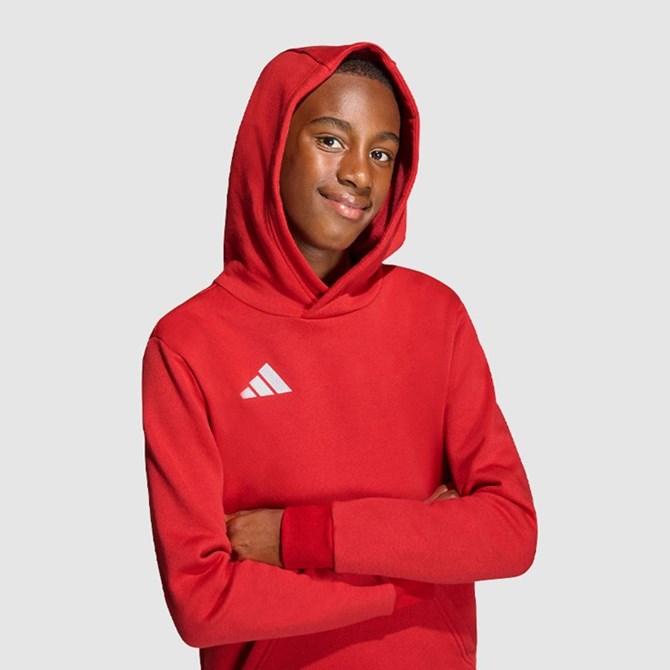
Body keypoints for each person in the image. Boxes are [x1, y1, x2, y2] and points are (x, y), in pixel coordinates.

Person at [142, 41, 537, 670]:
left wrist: (297, 537)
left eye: (382, 153)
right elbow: (203, 603)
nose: (359, 174)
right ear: (272, 144)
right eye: (330, 140)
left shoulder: (435, 315)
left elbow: (510, 532)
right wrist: (410, 574)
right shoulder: (189, 343)